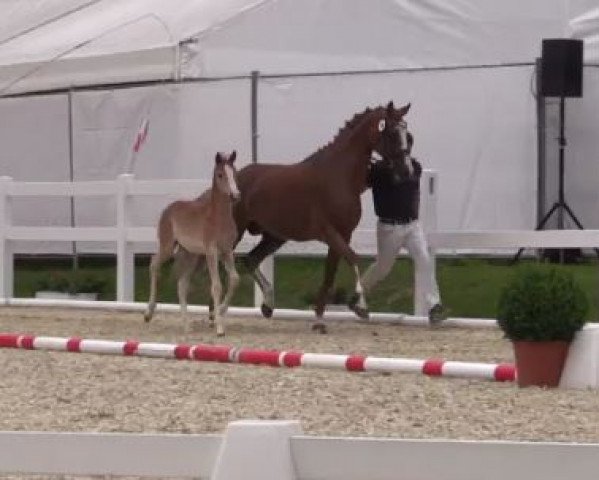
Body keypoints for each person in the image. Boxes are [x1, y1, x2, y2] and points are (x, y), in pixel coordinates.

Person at [350, 132, 447, 325]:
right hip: (389, 227)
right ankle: (359, 293)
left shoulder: (414, 167)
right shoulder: (378, 170)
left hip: (412, 225)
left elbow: (400, 177)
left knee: (424, 260)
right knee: (383, 268)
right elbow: (366, 182)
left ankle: (434, 305)